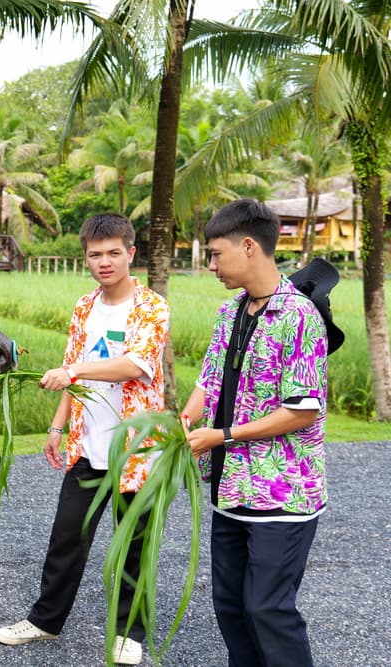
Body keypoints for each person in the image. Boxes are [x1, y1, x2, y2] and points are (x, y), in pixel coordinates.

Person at [0, 213, 170, 666]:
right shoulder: (85, 306)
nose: (104, 262)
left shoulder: (151, 307)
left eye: (114, 253)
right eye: (96, 254)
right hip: (87, 446)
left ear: (131, 253)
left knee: (134, 544)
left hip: (137, 451)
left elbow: (135, 365)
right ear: (86, 257)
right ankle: (45, 621)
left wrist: (74, 370)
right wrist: (57, 427)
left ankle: (130, 634)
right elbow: (72, 371)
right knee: (67, 537)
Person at [181, 198, 334, 667]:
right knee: (230, 608)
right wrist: (185, 422)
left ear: (248, 247)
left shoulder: (299, 317)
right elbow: (208, 381)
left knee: (267, 609)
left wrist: (222, 436)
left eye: (215, 254)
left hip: (282, 494)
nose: (211, 265)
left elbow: (303, 410)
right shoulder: (231, 312)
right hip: (230, 489)